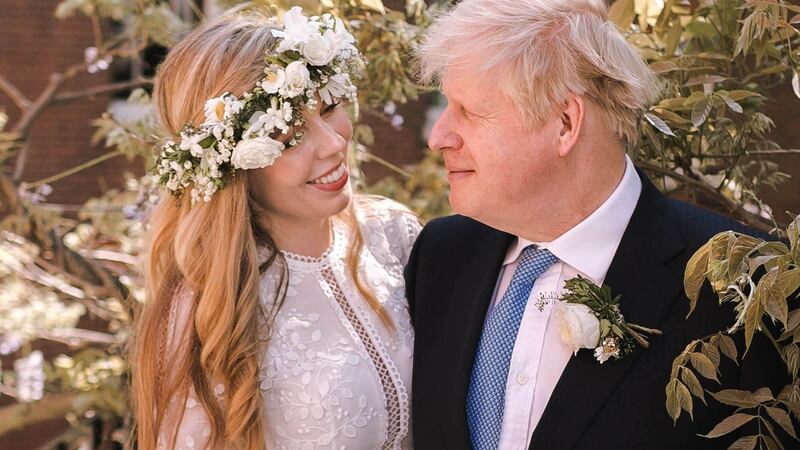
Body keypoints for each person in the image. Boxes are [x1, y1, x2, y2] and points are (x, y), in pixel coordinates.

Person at [405, 0, 786, 449]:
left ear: (565, 122)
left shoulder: (745, 285)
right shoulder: (442, 256)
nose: (438, 137)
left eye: (468, 112)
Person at [129, 5, 420, 449]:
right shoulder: (205, 311)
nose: (332, 143)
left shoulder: (395, 235)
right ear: (231, 166)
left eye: (330, 108)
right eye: (289, 138)